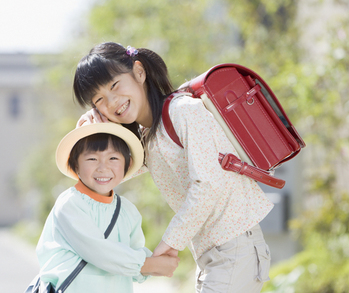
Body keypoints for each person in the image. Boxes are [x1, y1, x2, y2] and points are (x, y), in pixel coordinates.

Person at [73, 42, 274, 293]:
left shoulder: (183, 111)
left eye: (115, 86)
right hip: (213, 256)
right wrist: (92, 134)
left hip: (235, 249)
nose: (113, 102)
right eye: (99, 100)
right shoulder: (149, 136)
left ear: (139, 72)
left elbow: (208, 184)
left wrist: (169, 243)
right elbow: (106, 176)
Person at [36, 122, 180, 293]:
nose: (103, 167)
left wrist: (158, 261)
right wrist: (151, 264)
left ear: (128, 164)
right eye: (92, 159)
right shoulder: (70, 204)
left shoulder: (127, 211)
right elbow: (99, 252)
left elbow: (132, 256)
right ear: (75, 165)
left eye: (113, 158)